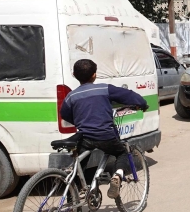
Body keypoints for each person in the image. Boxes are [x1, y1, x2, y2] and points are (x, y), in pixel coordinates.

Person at [59, 59, 149, 199]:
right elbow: (129, 96)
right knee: (122, 151)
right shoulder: (104, 89)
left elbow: (65, 114)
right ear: (94, 75)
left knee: (79, 167)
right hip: (106, 136)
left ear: (74, 74)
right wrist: (142, 104)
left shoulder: (71, 96)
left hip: (85, 137)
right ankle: (118, 175)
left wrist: (79, 120)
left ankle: (71, 206)